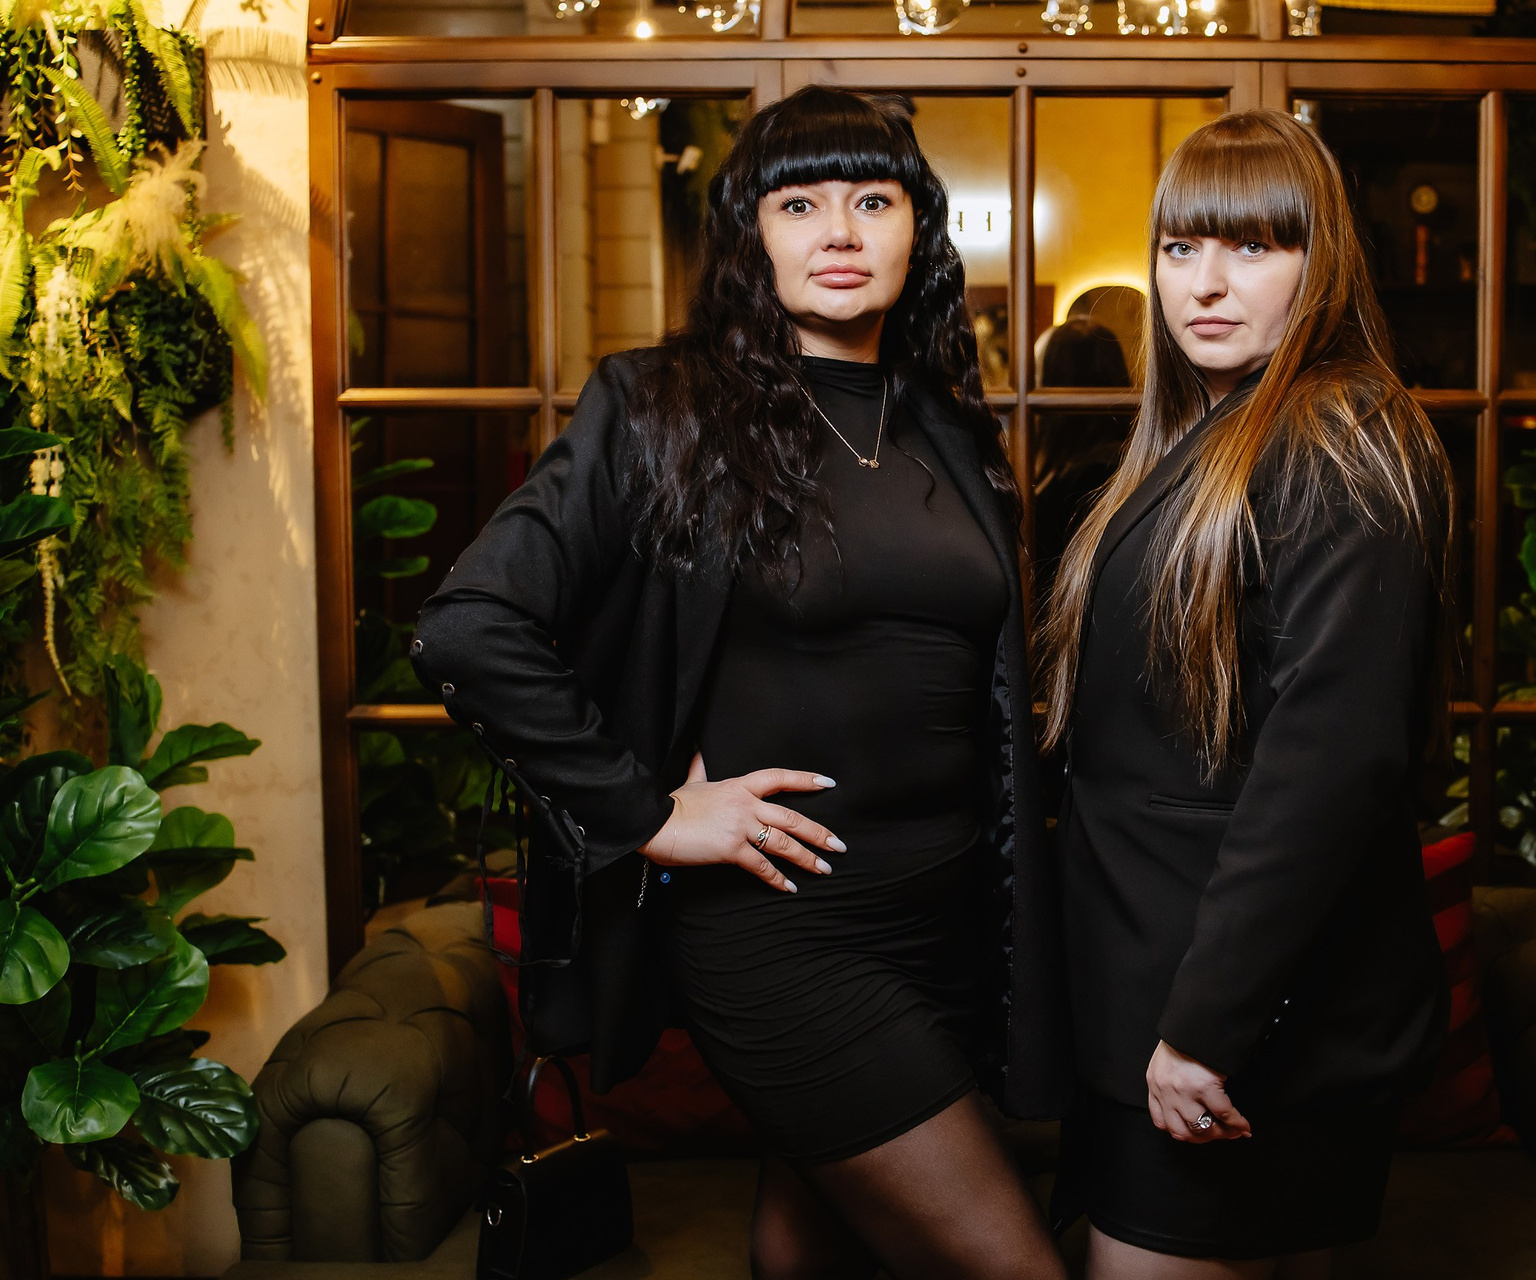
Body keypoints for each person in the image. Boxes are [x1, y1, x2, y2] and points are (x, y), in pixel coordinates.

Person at [411, 86, 1071, 1280]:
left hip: (949, 926)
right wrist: (647, 811)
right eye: (799, 203)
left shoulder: (946, 425)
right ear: (748, 233)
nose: (840, 231)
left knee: (812, 1242)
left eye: (873, 201)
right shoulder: (660, 406)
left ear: (918, 229)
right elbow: (470, 626)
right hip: (786, 932)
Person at [1036, 109, 1456, 1280]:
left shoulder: (1340, 431)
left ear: (1323, 264)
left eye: (1254, 246)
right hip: (1166, 990)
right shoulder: (1210, 436)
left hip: (1230, 1013)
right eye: (1180, 248)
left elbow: (1332, 762)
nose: (1205, 283)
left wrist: (1202, 1026)